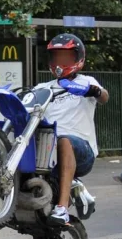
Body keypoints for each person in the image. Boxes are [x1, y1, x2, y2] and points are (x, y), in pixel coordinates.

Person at [36, 33, 110, 226]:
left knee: (64, 139)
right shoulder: (43, 87)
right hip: (49, 152)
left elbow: (104, 97)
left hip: (82, 151)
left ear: (78, 58)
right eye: (57, 56)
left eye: (66, 57)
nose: (61, 61)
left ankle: (62, 208)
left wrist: (95, 91)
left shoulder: (86, 81)